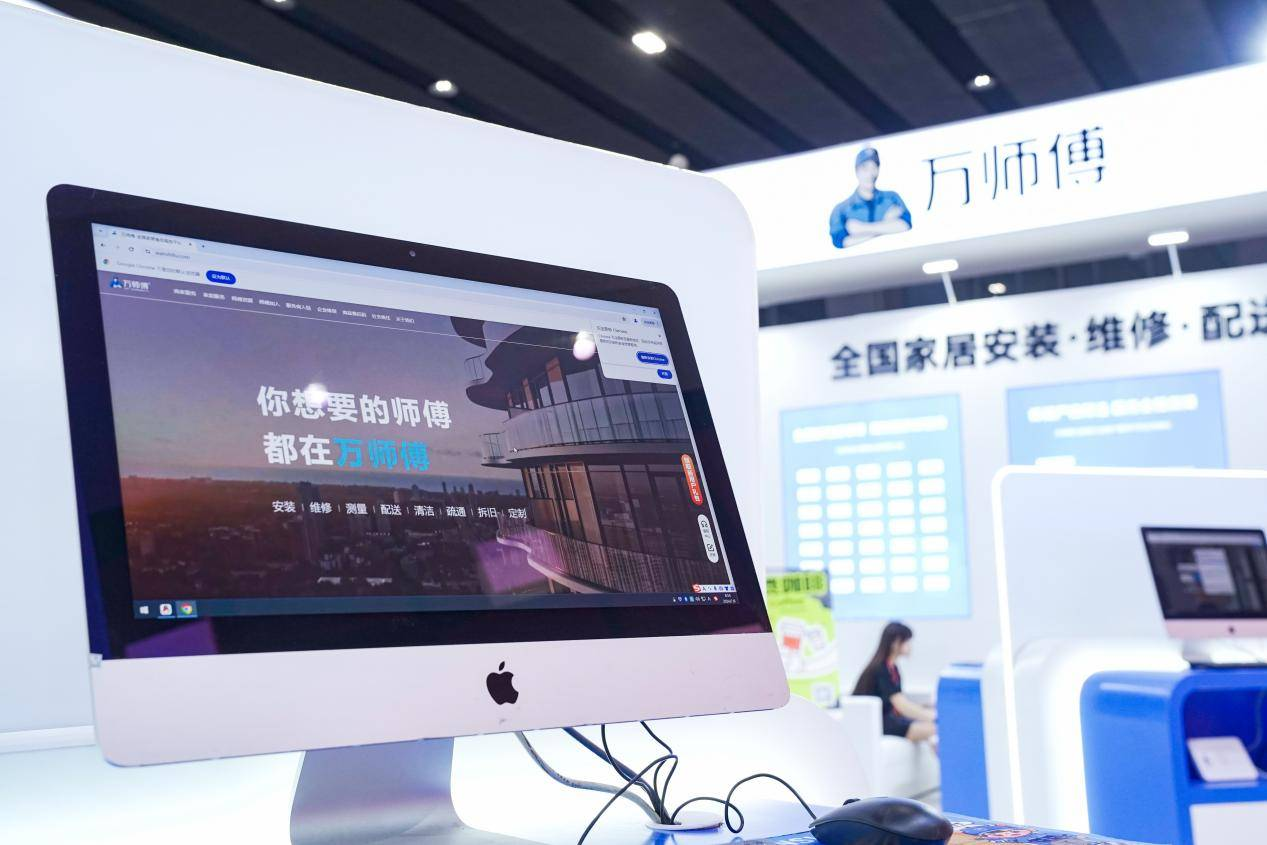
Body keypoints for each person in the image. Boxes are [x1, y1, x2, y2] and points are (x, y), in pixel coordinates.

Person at [851, 621, 936, 743]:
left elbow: (899, 701)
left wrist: (926, 710)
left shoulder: (892, 668)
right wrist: (932, 716)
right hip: (879, 722)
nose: (910, 646)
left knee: (931, 729)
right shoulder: (881, 669)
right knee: (934, 729)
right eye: (907, 641)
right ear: (896, 643)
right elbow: (901, 705)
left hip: (889, 718)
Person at [828, 147, 912, 249]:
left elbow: (905, 225)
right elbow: (840, 242)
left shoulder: (892, 198)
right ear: (857, 171)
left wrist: (861, 228)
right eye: (865, 168)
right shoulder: (841, 209)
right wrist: (887, 225)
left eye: (874, 167)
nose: (870, 174)